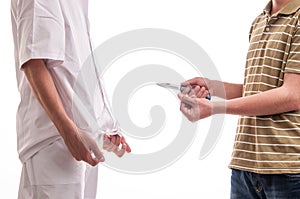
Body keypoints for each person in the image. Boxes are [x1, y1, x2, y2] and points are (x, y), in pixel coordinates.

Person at [178, 0, 300, 198]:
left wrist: (215, 107)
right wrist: (212, 86)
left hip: (287, 168)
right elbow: (258, 91)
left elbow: (291, 95)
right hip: (245, 165)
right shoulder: (259, 21)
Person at [11, 0, 131, 198]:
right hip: (55, 141)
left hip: (84, 140)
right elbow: (34, 64)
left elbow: (74, 61)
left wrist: (101, 123)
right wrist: (69, 131)